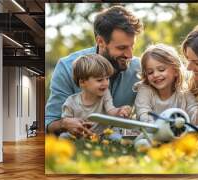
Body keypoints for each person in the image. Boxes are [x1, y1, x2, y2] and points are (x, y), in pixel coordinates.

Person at [45, 6, 143, 137]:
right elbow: (50, 122)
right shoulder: (66, 68)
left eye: (132, 46)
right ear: (101, 42)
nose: (130, 55)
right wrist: (64, 124)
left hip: (118, 139)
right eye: (122, 48)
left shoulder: (139, 69)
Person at [61, 54, 131, 137]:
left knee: (116, 136)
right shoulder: (71, 102)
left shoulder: (105, 94)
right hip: (80, 135)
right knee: (64, 136)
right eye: (99, 80)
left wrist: (120, 111)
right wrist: (74, 125)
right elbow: (66, 122)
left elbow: (111, 111)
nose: (105, 83)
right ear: (82, 82)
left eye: (107, 78)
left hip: (104, 134)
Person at [134, 44, 198, 123]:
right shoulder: (145, 91)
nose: (155, 75)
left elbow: (194, 112)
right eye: (150, 72)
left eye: (161, 69)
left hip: (178, 134)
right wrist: (158, 129)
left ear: (175, 71)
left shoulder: (184, 93)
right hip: (149, 133)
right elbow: (143, 113)